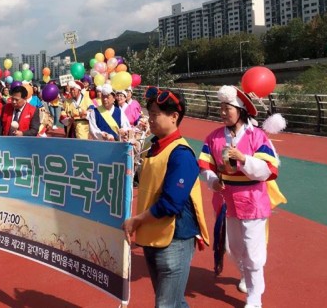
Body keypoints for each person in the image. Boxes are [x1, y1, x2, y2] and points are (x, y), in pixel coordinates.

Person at [198, 85, 286, 308]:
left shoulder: (257, 136)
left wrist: (244, 159)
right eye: (221, 108)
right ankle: (245, 275)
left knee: (253, 253)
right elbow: (204, 166)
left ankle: (254, 298)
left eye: (227, 108)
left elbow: (269, 169)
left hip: (252, 200)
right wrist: (212, 180)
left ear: (240, 110)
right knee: (232, 248)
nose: (223, 112)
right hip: (225, 201)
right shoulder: (214, 137)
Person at [122, 87, 209, 308]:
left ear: (174, 117)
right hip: (153, 235)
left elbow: (171, 204)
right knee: (173, 302)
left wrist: (137, 220)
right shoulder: (153, 147)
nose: (150, 119)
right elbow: (140, 181)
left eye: (155, 114)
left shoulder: (181, 154)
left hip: (175, 239)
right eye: (149, 113)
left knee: (166, 304)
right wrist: (129, 153)